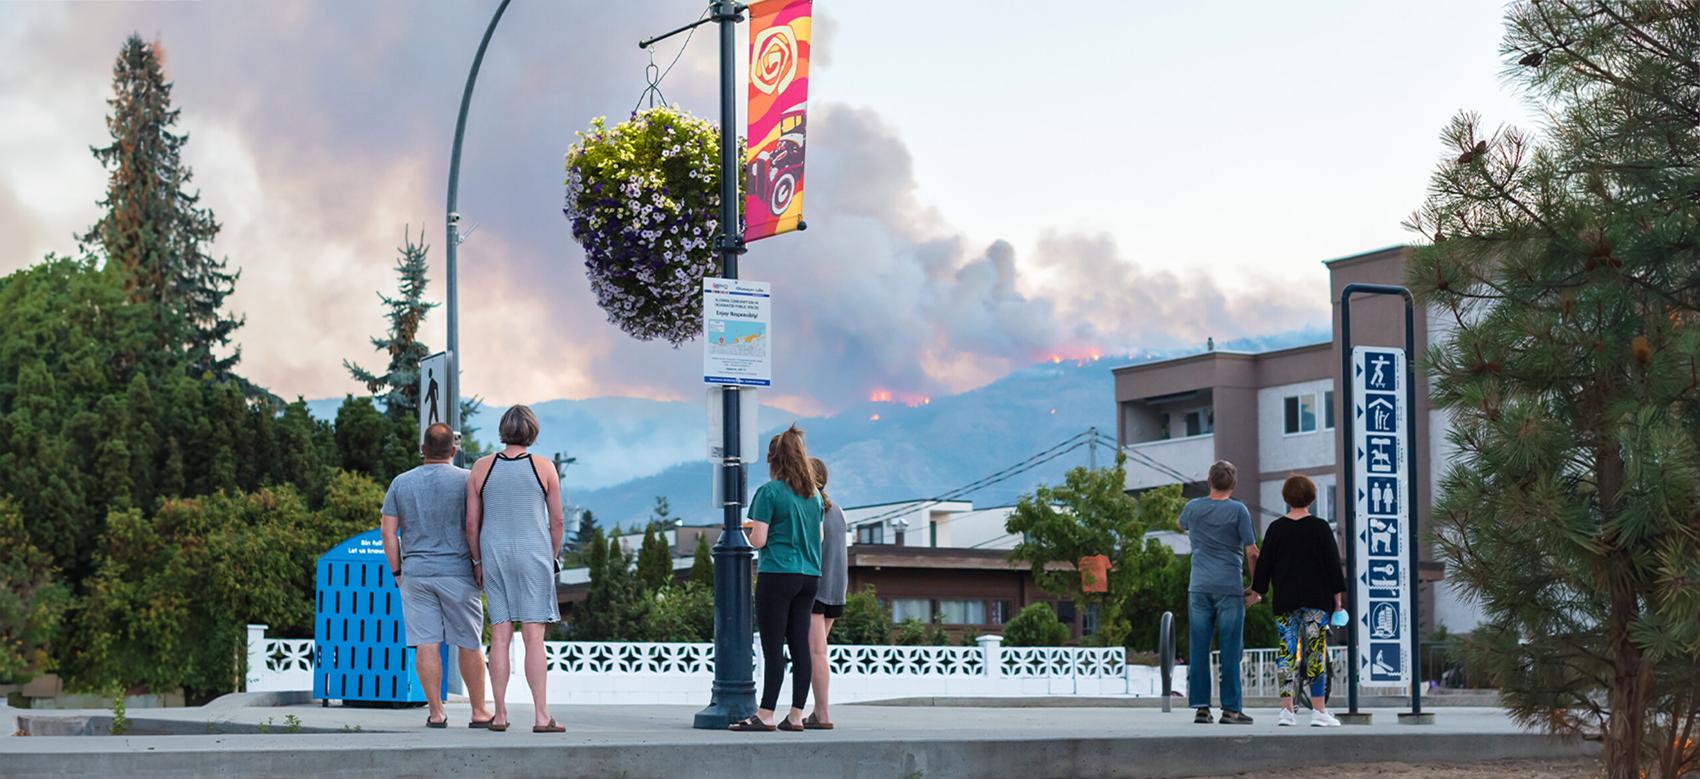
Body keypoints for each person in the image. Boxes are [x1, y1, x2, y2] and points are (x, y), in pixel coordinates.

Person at [380, 422, 493, 729]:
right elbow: (477, 525)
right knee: (469, 642)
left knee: (426, 642)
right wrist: (479, 563)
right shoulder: (468, 480)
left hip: (416, 573)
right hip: (458, 572)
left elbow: (388, 533)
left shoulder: (401, 483)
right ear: (454, 451)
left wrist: (398, 571)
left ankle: (436, 712)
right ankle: (479, 711)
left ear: (422, 450)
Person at [465, 405, 566, 734]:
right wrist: (550, 556)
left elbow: (471, 523)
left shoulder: (481, 468)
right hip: (534, 553)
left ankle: (500, 714)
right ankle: (540, 716)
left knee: (501, 634)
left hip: (494, 554)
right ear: (532, 431)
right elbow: (558, 521)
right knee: (534, 637)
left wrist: (477, 560)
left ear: (502, 430)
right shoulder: (544, 467)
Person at [730, 426, 823, 733]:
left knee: (773, 647)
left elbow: (759, 540)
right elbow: (819, 537)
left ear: (772, 459)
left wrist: (748, 531)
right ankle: (796, 715)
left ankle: (766, 714)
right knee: (800, 646)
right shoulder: (814, 497)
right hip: (809, 576)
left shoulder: (769, 492)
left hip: (778, 573)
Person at [1249, 474, 1346, 727]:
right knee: (1316, 652)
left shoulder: (1276, 528)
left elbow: (1265, 565)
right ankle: (1319, 711)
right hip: (1316, 600)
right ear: (1312, 498)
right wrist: (1337, 599)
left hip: (1285, 600)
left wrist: (1258, 591)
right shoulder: (1321, 527)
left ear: (1286, 498)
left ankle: (1287, 711)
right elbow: (1333, 566)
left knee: (1286, 652)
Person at [1177, 459, 1259, 725]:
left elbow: (1182, 525)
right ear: (1233, 484)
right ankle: (1231, 709)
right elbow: (1252, 552)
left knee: (1199, 647)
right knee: (1230, 649)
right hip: (1229, 587)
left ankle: (1202, 708)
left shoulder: (1192, 508)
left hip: (1199, 587)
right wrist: (1256, 587)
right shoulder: (1239, 511)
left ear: (1209, 481)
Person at [804, 457, 846, 730]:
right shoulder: (838, 510)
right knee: (816, 652)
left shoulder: (811, 509)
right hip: (836, 590)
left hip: (816, 590)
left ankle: (822, 714)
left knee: (816, 654)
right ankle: (816, 711)